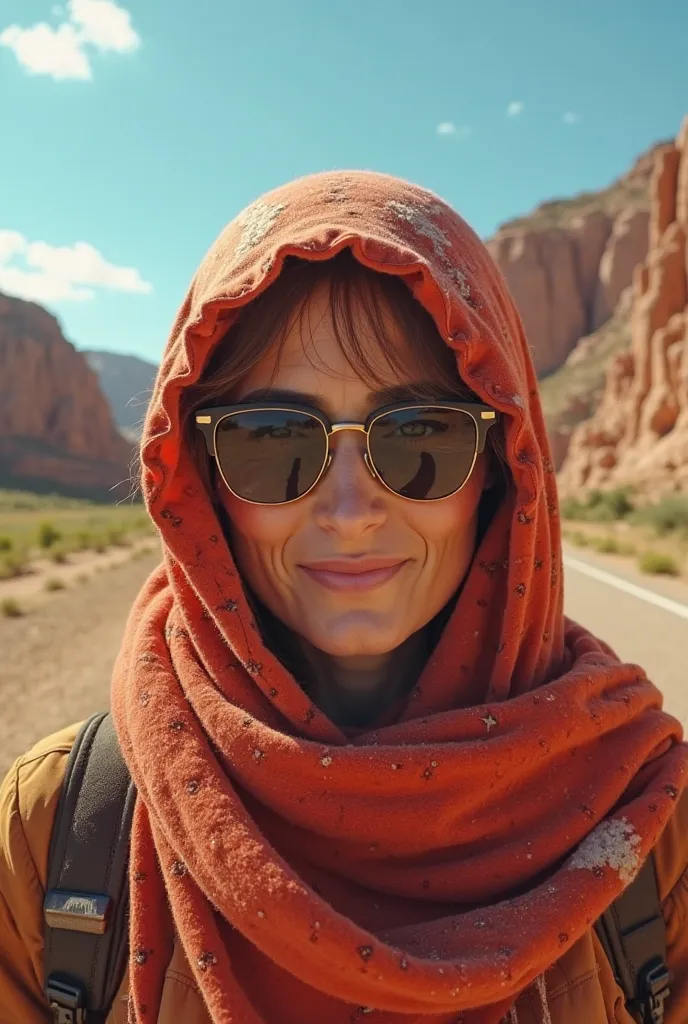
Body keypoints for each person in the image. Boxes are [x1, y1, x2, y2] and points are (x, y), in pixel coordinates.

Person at [1, 171, 686, 1024]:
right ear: (202, 481)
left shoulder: (654, 834)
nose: (352, 511)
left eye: (423, 436)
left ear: (504, 473)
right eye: (271, 441)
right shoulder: (56, 829)